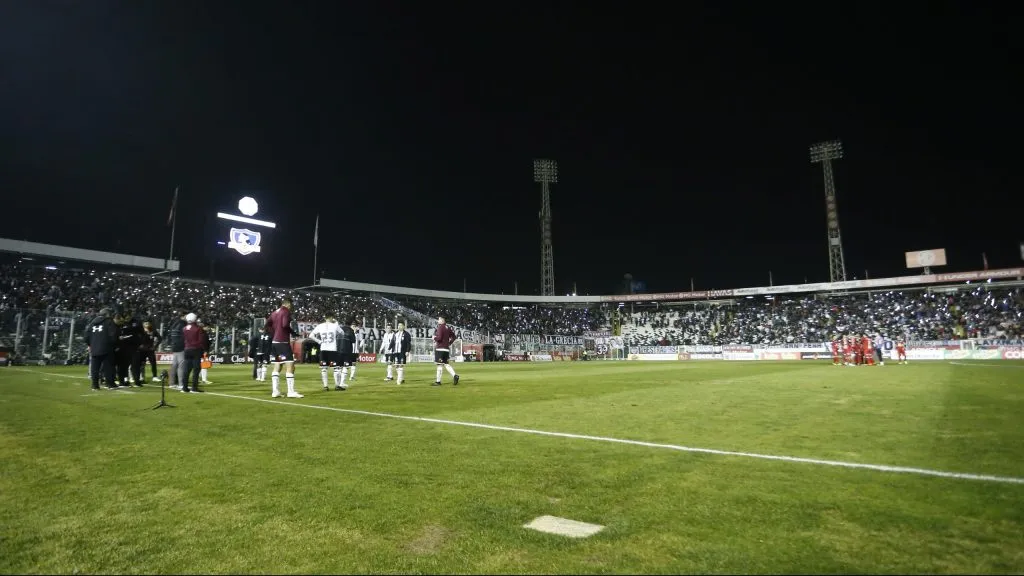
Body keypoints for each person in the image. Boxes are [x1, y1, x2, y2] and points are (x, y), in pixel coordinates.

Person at [267, 297, 302, 398]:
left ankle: (275, 391)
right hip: (283, 342)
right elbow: (285, 324)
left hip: (275, 342)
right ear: (288, 304)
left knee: (277, 365)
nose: (292, 307)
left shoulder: (274, 312)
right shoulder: (285, 311)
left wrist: (274, 333)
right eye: (291, 305)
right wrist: (293, 333)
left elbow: (268, 324)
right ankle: (291, 392)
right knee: (290, 365)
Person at [310, 313, 346, 390]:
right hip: (332, 349)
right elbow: (342, 333)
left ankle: (325, 386)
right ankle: (337, 386)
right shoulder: (335, 325)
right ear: (332, 318)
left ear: (325, 318)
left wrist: (319, 341)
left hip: (323, 349)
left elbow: (311, 336)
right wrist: (336, 323)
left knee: (324, 369)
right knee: (335, 368)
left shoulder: (320, 326)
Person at [85, 308, 118, 390]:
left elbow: (86, 337)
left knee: (95, 368)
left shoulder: (92, 323)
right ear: (107, 314)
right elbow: (113, 336)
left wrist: (90, 344)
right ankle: (110, 384)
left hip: (95, 348)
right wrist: (114, 345)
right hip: (107, 348)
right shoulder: (109, 322)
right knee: (108, 367)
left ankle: (95, 385)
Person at [115, 309, 144, 386]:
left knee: (136, 365)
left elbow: (142, 333)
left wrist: (141, 343)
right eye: (125, 316)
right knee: (122, 365)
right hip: (123, 347)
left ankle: (137, 381)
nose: (127, 318)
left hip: (134, 347)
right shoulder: (120, 323)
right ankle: (123, 381)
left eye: (128, 316)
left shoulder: (137, 322)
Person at [181, 313, 208, 393]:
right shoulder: (198, 328)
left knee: (186, 369)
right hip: (196, 350)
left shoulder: (184, 328)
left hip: (187, 349)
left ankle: (184, 387)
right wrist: (203, 349)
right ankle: (194, 388)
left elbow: (184, 339)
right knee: (196, 369)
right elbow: (201, 340)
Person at [432, 315, 459, 386]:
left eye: (439, 319)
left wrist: (434, 338)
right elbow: (454, 336)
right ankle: (455, 375)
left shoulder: (440, 327)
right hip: (446, 349)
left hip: (440, 348)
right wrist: (449, 343)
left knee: (439, 365)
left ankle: (438, 381)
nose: (438, 321)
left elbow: (439, 338)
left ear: (442, 320)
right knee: (446, 364)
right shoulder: (448, 328)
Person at [165, 312, 187, 390]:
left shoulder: (174, 323)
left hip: (174, 346)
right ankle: (181, 384)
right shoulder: (183, 324)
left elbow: (170, 335)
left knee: (174, 365)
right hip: (181, 346)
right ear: (183, 316)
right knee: (181, 365)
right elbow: (185, 336)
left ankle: (171, 383)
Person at [338, 318, 358, 384]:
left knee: (339, 367)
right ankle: (342, 383)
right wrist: (354, 333)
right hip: (347, 351)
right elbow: (353, 341)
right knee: (346, 366)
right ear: (350, 324)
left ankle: (338, 383)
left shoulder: (340, 329)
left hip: (339, 350)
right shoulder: (350, 330)